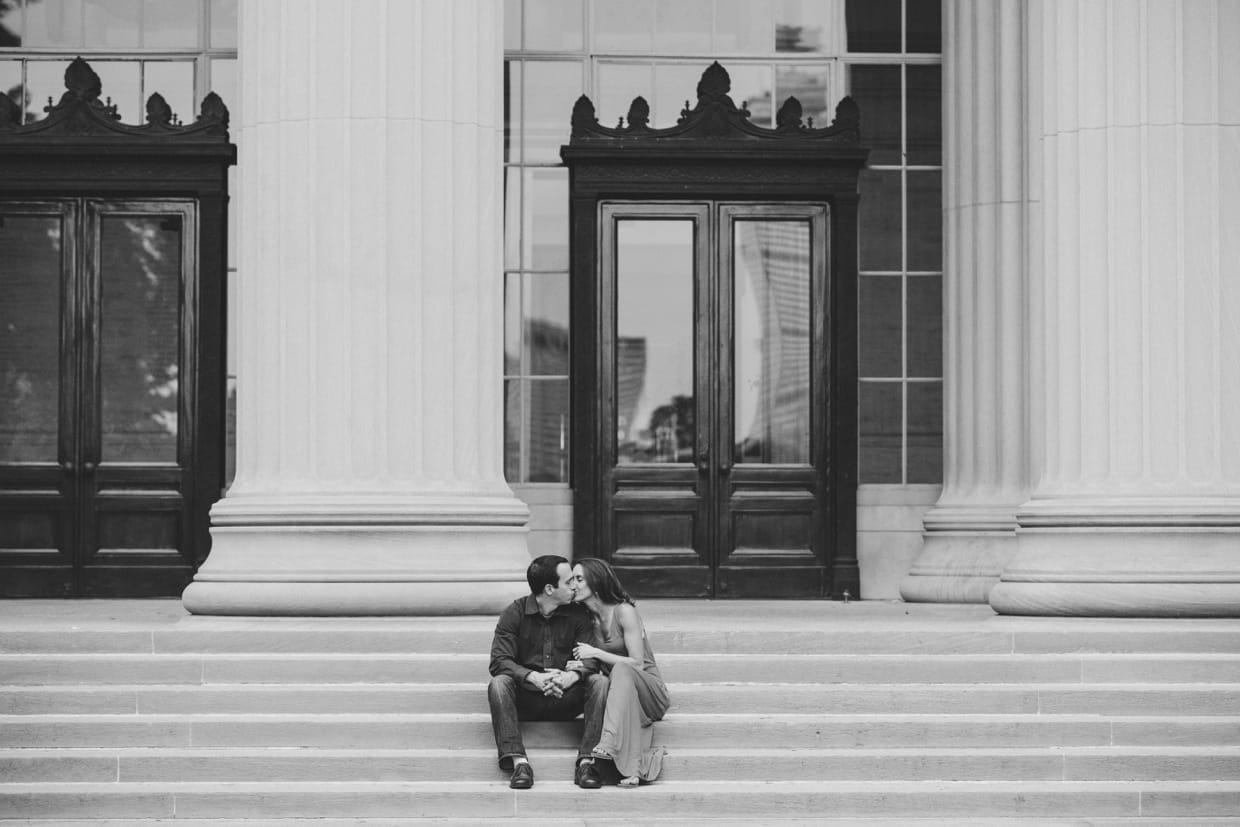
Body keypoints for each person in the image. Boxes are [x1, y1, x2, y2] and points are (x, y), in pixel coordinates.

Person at [487, 555, 608, 790]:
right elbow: (499, 661)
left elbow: (591, 659)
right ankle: (519, 762)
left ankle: (587, 762)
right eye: (569, 581)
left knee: (600, 683)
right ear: (550, 589)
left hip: (568, 696)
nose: (575, 585)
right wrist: (534, 678)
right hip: (528, 697)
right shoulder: (514, 612)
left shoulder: (579, 614)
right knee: (499, 683)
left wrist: (571, 676)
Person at [570, 557, 670, 786]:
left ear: (596, 582)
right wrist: (581, 666)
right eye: (571, 580)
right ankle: (632, 769)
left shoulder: (624, 611)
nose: (573, 585)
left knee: (623, 669)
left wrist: (596, 653)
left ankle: (608, 742)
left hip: (651, 691)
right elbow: (592, 661)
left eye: (579, 579)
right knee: (616, 678)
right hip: (623, 692)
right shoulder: (587, 620)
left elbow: (637, 664)